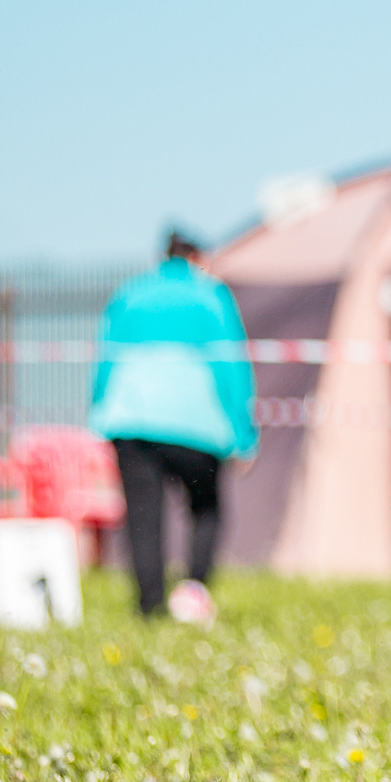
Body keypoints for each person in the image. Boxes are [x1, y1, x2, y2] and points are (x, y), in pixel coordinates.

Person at [89, 230, 256, 625]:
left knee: (144, 517)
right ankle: (193, 592)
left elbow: (107, 360)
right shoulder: (211, 295)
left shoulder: (131, 292)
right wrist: (244, 434)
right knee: (207, 508)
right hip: (196, 426)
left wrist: (98, 418)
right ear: (197, 257)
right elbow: (231, 366)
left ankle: (150, 608)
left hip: (132, 423)